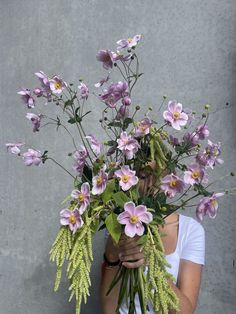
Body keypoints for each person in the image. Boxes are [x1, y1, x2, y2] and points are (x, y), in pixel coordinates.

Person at [100, 162, 205, 314]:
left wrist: (153, 265)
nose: (151, 183)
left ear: (171, 180)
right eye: (143, 176)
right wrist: (111, 257)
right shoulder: (120, 225)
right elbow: (109, 310)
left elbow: (185, 311)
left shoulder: (190, 230)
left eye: (158, 175)